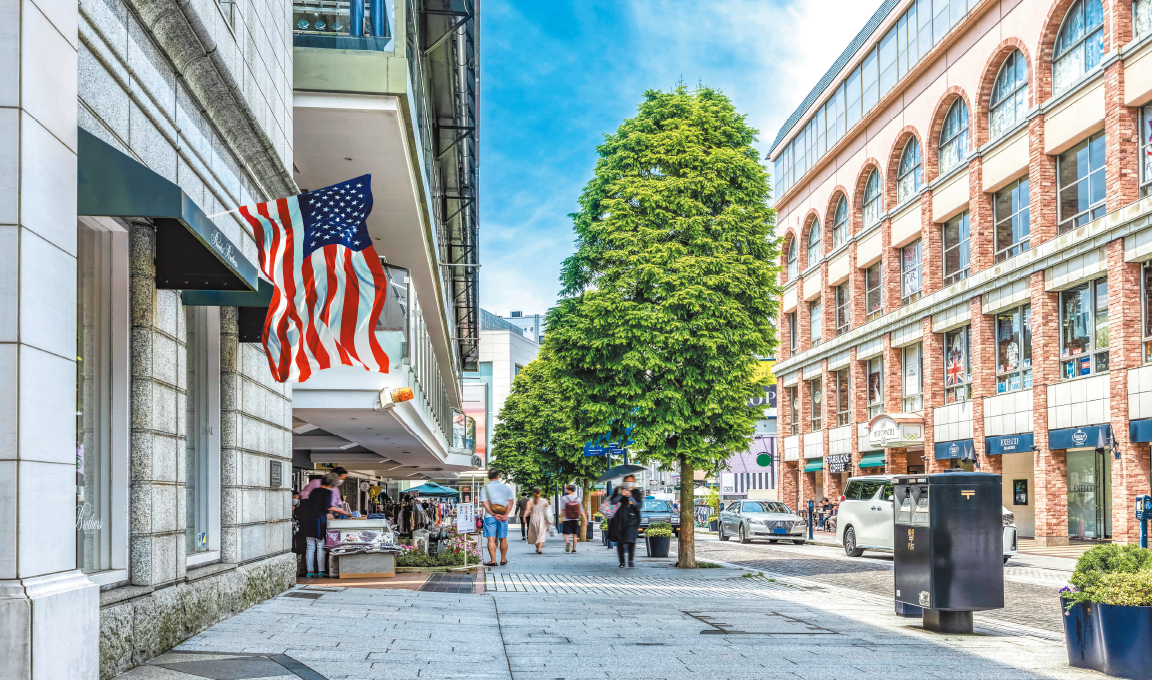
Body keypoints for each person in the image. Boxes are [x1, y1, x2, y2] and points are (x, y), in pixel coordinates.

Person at [296, 474, 344, 578]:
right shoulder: (327, 492)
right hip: (319, 522)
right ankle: (321, 571)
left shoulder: (314, 491)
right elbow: (327, 506)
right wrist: (341, 512)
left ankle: (310, 571)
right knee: (320, 546)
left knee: (310, 547)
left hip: (309, 521)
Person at [480, 469, 514, 566]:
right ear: (498, 476)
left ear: (488, 477)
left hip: (490, 516)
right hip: (503, 517)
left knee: (491, 538)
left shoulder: (485, 488)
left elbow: (484, 503)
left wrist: (493, 514)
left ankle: (493, 560)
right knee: (503, 538)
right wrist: (506, 514)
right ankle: (503, 559)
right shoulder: (506, 488)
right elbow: (511, 502)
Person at [607, 475, 643, 568]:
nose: (629, 482)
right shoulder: (618, 490)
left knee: (631, 540)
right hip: (620, 519)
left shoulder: (636, 492)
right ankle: (622, 562)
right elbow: (613, 502)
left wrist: (630, 497)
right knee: (620, 541)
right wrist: (621, 495)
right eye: (627, 481)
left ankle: (631, 560)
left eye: (631, 481)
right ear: (624, 481)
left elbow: (638, 506)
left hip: (632, 520)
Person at [525, 487, 552, 554]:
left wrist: (524, 517)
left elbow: (527, 510)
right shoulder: (544, 500)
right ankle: (539, 548)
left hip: (533, 518)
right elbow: (548, 510)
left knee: (534, 534)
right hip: (542, 518)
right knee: (541, 533)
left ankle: (537, 547)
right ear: (540, 492)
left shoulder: (530, 501)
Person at [560, 485, 586, 553]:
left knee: (565, 534)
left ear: (569, 490)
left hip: (566, 518)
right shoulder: (578, 499)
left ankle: (568, 542)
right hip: (575, 518)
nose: (565, 490)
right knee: (575, 534)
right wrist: (585, 519)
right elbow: (581, 510)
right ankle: (574, 549)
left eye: (566, 489)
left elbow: (563, 509)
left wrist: (561, 517)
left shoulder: (564, 498)